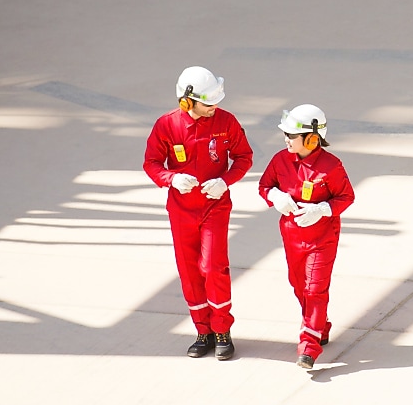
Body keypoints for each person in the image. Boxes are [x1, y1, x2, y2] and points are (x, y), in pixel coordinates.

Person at [143, 66, 253, 360]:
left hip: (214, 206)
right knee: (190, 271)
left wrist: (225, 181)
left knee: (214, 266)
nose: (214, 108)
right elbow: (152, 163)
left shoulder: (226, 121)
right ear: (186, 102)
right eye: (208, 103)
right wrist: (172, 179)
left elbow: (244, 157)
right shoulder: (166, 126)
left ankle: (222, 331)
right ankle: (202, 331)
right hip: (181, 210)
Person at [258, 104, 355, 369]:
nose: (286, 139)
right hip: (291, 236)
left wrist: (323, 209)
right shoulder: (280, 160)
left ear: (312, 138)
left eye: (291, 135)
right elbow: (265, 186)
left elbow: (347, 196)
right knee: (299, 284)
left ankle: (308, 346)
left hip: (322, 238)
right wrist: (275, 196)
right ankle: (319, 326)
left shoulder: (331, 166)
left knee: (314, 289)